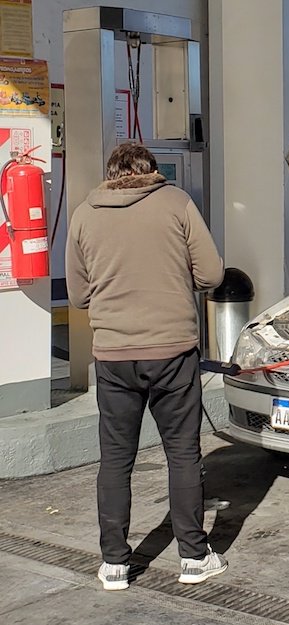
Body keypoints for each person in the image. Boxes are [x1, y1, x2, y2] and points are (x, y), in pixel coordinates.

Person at [66, 143, 227, 589]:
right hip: (173, 350)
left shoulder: (84, 214)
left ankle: (114, 563)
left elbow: (78, 296)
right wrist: (173, 277)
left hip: (114, 355)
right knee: (182, 453)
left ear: (110, 173)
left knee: (116, 459)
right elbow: (212, 275)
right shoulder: (177, 202)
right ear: (152, 171)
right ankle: (194, 557)